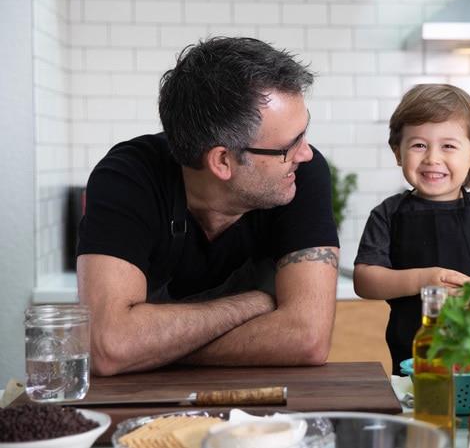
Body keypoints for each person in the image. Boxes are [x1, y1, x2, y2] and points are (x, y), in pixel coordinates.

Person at [77, 37, 340, 376]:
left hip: (262, 410)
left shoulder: (302, 174)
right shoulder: (129, 178)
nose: (304, 154)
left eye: (304, 134)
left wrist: (149, 344)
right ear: (222, 161)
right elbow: (109, 345)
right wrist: (255, 303)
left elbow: (307, 338)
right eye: (289, 146)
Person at [353, 84, 470, 374]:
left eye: (448, 146)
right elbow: (365, 280)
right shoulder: (387, 214)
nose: (432, 158)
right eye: (419, 145)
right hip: (413, 362)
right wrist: (422, 279)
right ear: (397, 152)